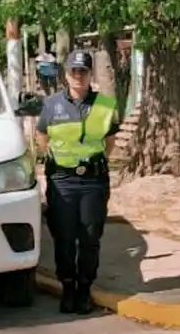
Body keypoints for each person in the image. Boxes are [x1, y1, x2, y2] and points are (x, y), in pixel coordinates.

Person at [35, 50, 120, 314]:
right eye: (74, 71)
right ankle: (67, 289)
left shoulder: (104, 104)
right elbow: (42, 137)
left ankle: (84, 290)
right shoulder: (51, 105)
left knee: (90, 238)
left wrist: (90, 162)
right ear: (65, 74)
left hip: (93, 181)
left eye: (83, 71)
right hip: (62, 181)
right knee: (64, 238)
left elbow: (109, 142)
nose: (78, 76)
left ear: (89, 74)